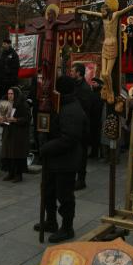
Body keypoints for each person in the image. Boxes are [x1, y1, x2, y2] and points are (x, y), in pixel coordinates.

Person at [34, 75, 88, 242]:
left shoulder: (72, 108)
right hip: (53, 160)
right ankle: (51, 221)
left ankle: (67, 227)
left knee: (64, 196)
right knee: (48, 191)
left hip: (66, 160)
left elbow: (69, 138)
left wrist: (46, 148)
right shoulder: (60, 105)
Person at [77, 0, 133, 104]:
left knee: (107, 73)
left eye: (103, 10)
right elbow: (92, 14)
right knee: (103, 74)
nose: (101, 12)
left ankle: (110, 91)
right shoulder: (103, 17)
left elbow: (129, 8)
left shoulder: (115, 15)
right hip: (105, 45)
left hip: (113, 45)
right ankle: (106, 89)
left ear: (108, 9)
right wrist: (81, 10)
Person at [0, 87, 30, 183]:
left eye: (12, 94)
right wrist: (1, 120)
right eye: (8, 93)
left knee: (17, 153)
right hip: (8, 132)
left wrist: (15, 120)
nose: (9, 95)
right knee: (8, 153)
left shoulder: (23, 105)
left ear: (16, 94)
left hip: (18, 133)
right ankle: (10, 173)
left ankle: (18, 175)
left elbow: (27, 119)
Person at [71, 63, 93, 189]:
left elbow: (84, 108)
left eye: (73, 71)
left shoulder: (84, 88)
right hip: (74, 124)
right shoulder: (74, 85)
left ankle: (81, 180)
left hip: (82, 126)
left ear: (79, 73)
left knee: (81, 154)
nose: (71, 73)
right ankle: (74, 178)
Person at [89, 77, 104, 159]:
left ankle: (101, 153)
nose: (92, 84)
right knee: (94, 136)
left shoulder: (101, 93)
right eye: (92, 82)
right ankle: (94, 153)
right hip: (93, 118)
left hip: (98, 118)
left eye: (94, 82)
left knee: (98, 137)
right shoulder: (92, 93)